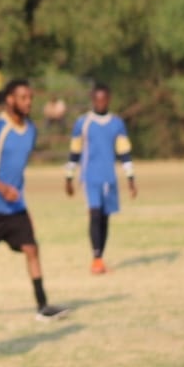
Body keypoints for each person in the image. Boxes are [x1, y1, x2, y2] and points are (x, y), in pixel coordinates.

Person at [0, 80, 68, 319]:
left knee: (32, 249)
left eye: (30, 97)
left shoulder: (31, 129)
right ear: (10, 99)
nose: (28, 102)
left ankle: (43, 306)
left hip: (16, 205)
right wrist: (1, 188)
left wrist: (14, 191)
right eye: (23, 97)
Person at [66, 84, 136, 275]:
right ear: (92, 99)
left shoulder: (116, 123)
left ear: (109, 99)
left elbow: (124, 152)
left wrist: (130, 177)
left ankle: (100, 257)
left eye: (104, 99)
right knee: (95, 214)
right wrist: (69, 177)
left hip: (109, 178)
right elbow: (74, 151)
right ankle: (96, 258)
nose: (101, 102)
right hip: (90, 177)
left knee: (105, 218)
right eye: (97, 99)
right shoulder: (83, 123)